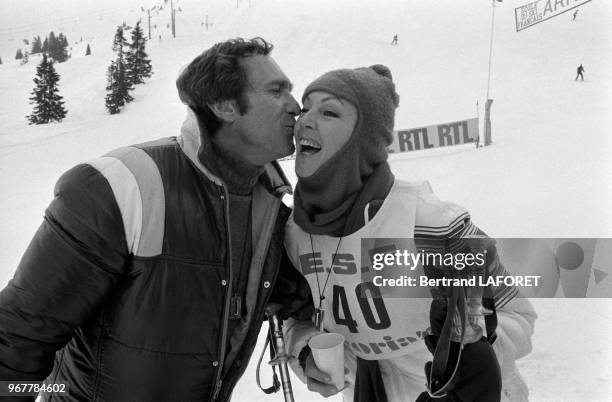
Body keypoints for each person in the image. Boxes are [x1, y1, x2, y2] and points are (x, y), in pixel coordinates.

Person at [0, 37, 306, 401]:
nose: (296, 105)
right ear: (224, 106)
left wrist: (306, 340)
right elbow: (19, 338)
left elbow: (295, 299)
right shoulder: (120, 185)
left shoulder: (272, 204)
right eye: (276, 91)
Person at [282, 65, 537, 401]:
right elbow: (295, 316)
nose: (304, 120)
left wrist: (470, 351)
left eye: (329, 111)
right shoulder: (294, 233)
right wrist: (305, 351)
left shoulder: (431, 224)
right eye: (305, 108)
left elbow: (516, 314)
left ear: (363, 141)